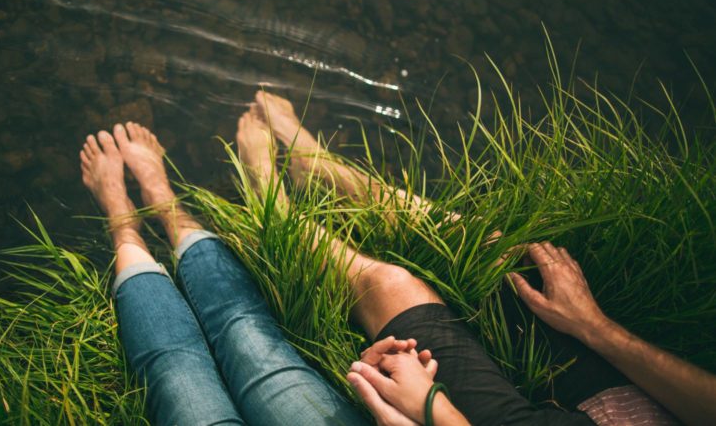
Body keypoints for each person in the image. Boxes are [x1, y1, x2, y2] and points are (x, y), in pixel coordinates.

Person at [79, 91, 716, 426]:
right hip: (632, 411)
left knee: (371, 291)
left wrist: (433, 412)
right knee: (496, 253)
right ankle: (315, 166)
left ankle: (241, 198)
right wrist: (594, 327)